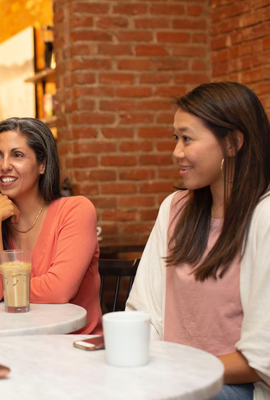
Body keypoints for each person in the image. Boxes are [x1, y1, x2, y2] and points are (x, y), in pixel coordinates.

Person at [126, 82, 270, 400]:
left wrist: (180, 372)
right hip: (170, 377)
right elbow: (143, 309)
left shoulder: (264, 217)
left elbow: (263, 359)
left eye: (187, 138)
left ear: (233, 143)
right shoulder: (175, 208)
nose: (177, 151)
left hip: (234, 386)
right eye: (175, 138)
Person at [0, 117, 102, 334]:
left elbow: (59, 290)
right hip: (15, 345)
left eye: (17, 155)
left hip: (75, 347)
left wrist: (4, 288)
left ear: (42, 164)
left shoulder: (76, 210)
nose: (4, 166)